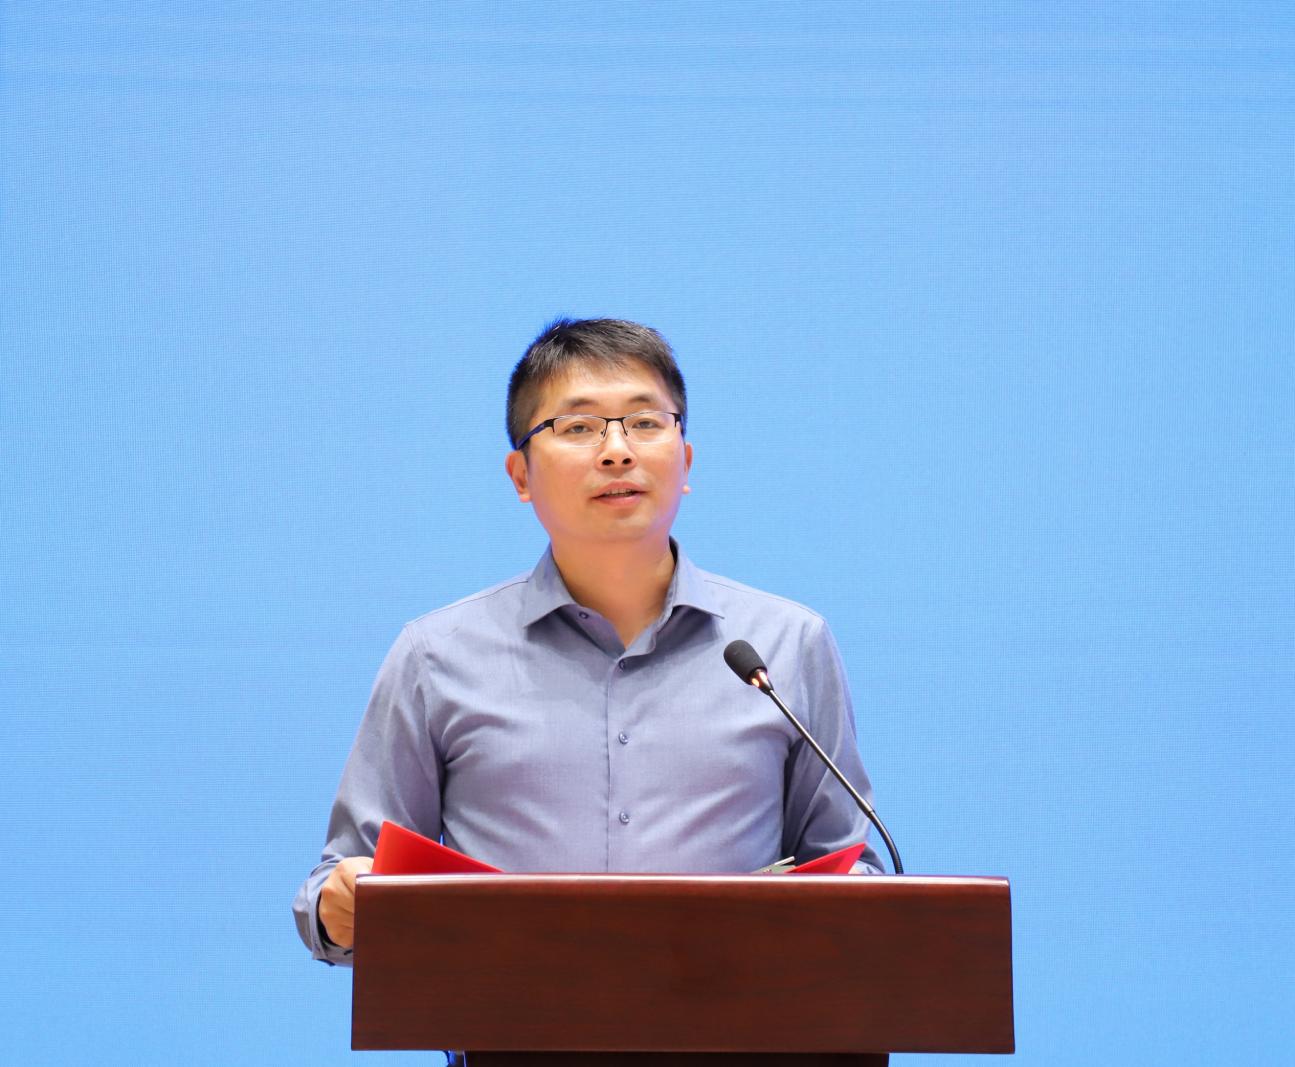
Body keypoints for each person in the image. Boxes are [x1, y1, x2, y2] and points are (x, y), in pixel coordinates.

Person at [293, 318, 882, 965]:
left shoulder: (786, 645)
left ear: (684, 462)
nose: (616, 451)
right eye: (577, 427)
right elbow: (343, 881)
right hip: (504, 1015)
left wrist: (859, 900)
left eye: (645, 422)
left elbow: (848, 864)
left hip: (731, 1012)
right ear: (520, 475)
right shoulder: (435, 656)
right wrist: (342, 904)